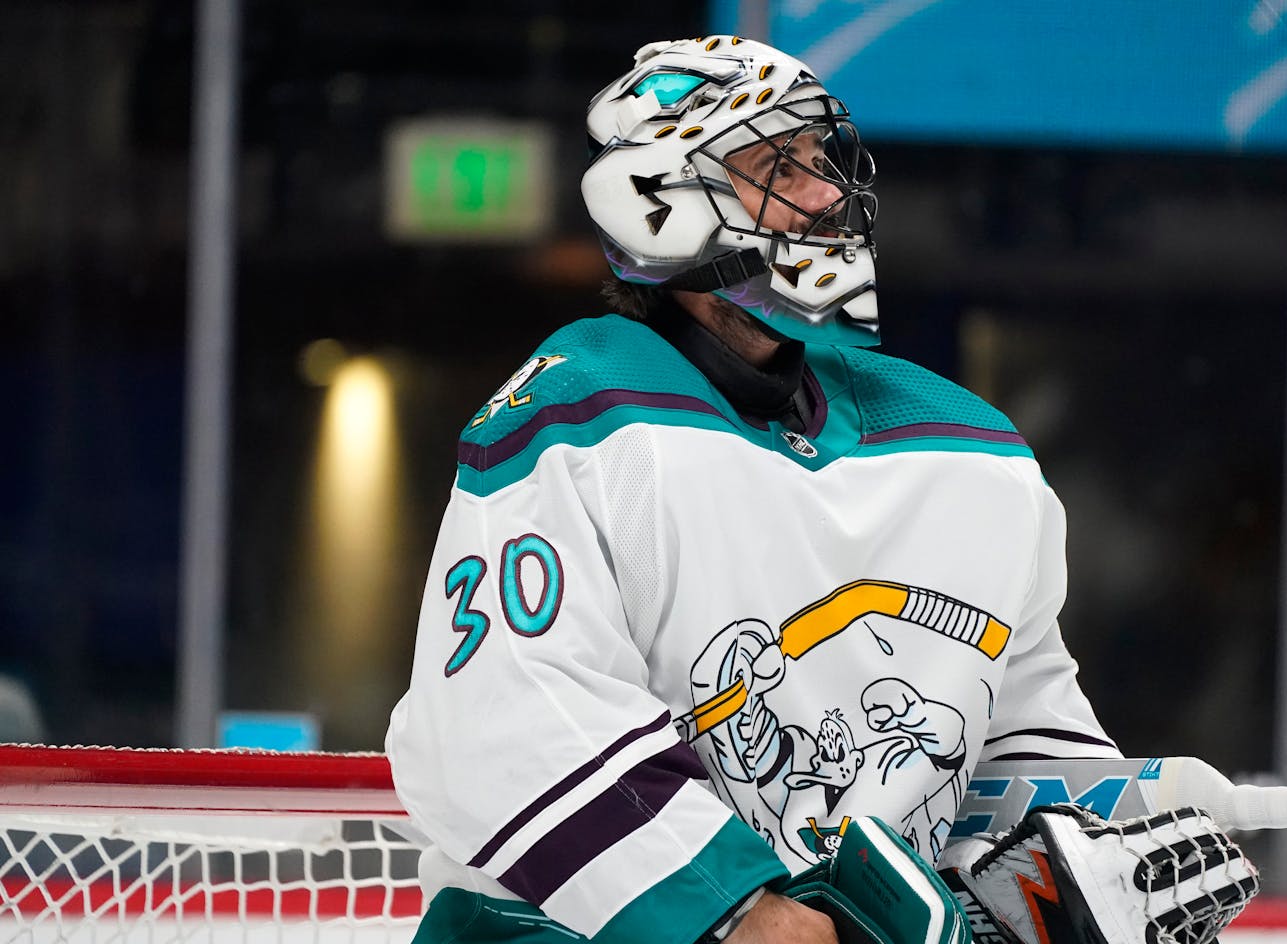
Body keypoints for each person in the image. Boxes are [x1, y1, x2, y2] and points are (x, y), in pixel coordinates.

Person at [387, 36, 1222, 944]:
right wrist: (751, 917)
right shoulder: (576, 421)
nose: (825, 192)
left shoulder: (969, 450)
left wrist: (1092, 856)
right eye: (772, 164)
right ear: (660, 206)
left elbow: (1013, 740)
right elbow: (502, 722)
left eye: (822, 159)